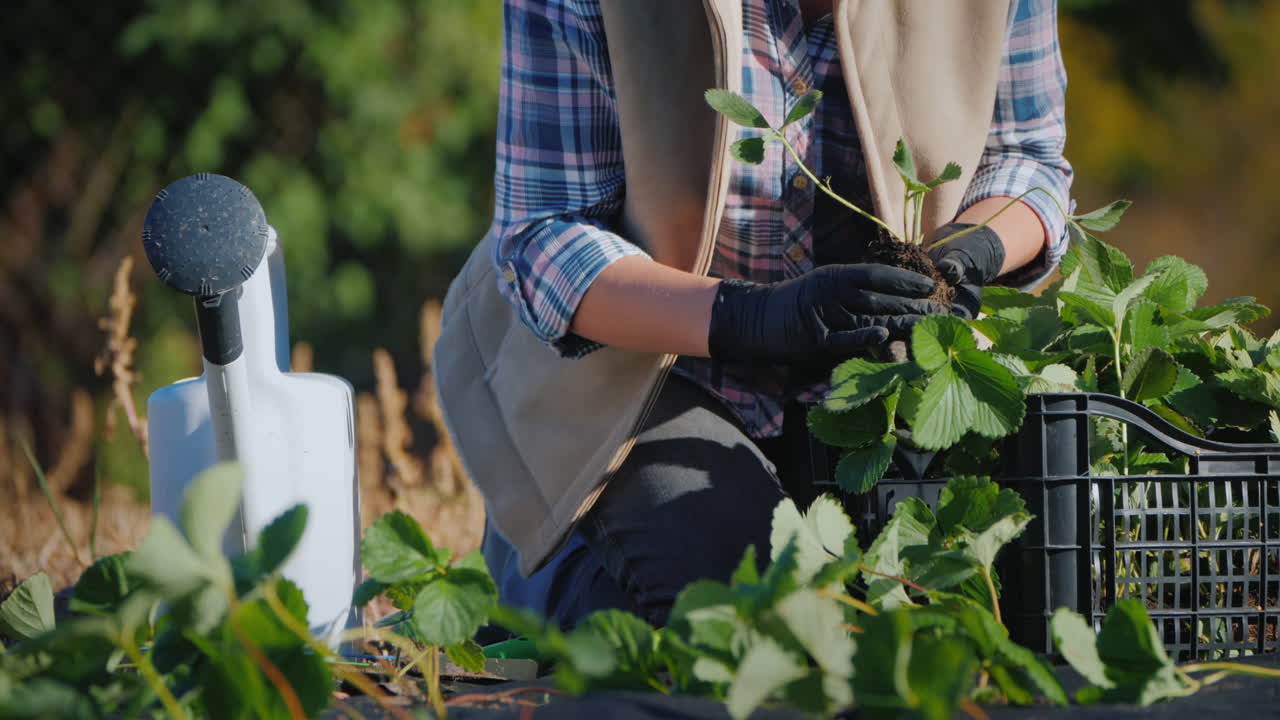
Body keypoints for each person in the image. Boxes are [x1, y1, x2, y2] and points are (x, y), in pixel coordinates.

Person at [434, 0, 1073, 630]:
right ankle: (540, 583)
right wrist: (747, 317)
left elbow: (1028, 159)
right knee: (747, 613)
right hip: (648, 370)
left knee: (929, 616)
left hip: (874, 382)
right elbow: (547, 235)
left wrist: (966, 253)